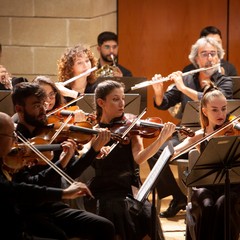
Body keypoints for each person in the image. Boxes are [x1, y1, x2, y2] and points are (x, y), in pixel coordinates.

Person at [11, 82, 115, 240]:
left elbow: (70, 173)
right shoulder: (15, 143)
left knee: (105, 226)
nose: (43, 111)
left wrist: (93, 150)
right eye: (36, 106)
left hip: (55, 207)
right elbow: (32, 186)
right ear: (19, 109)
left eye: (43, 105)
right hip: (29, 212)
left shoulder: (50, 135)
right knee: (59, 236)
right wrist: (61, 163)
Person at [149, 36, 233, 218]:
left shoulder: (224, 81)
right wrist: (157, 92)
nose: (210, 58)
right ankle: (177, 196)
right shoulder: (187, 79)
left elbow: (217, 100)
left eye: (213, 54)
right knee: (157, 153)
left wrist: (182, 89)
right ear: (196, 59)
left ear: (219, 58)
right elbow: (164, 103)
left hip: (215, 134)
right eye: (205, 54)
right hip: (187, 133)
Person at [88, 80, 176, 240]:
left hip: (130, 187)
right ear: (101, 102)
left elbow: (139, 157)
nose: (122, 103)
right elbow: (86, 155)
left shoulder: (131, 125)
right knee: (120, 211)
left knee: (147, 213)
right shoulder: (94, 132)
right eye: (115, 99)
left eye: (123, 98)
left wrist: (160, 140)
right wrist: (98, 149)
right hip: (106, 190)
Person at [0, 111, 96, 239]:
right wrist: (63, 193)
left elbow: (29, 185)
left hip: (43, 208)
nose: (15, 139)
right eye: (11, 135)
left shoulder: (11, 159)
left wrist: (63, 162)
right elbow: (17, 190)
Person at [173, 83, 240, 240]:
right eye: (215, 109)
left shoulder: (235, 130)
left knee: (224, 203)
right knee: (206, 202)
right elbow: (174, 152)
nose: (221, 114)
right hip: (208, 186)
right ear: (204, 111)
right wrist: (164, 139)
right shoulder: (199, 135)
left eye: (224, 108)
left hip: (233, 187)